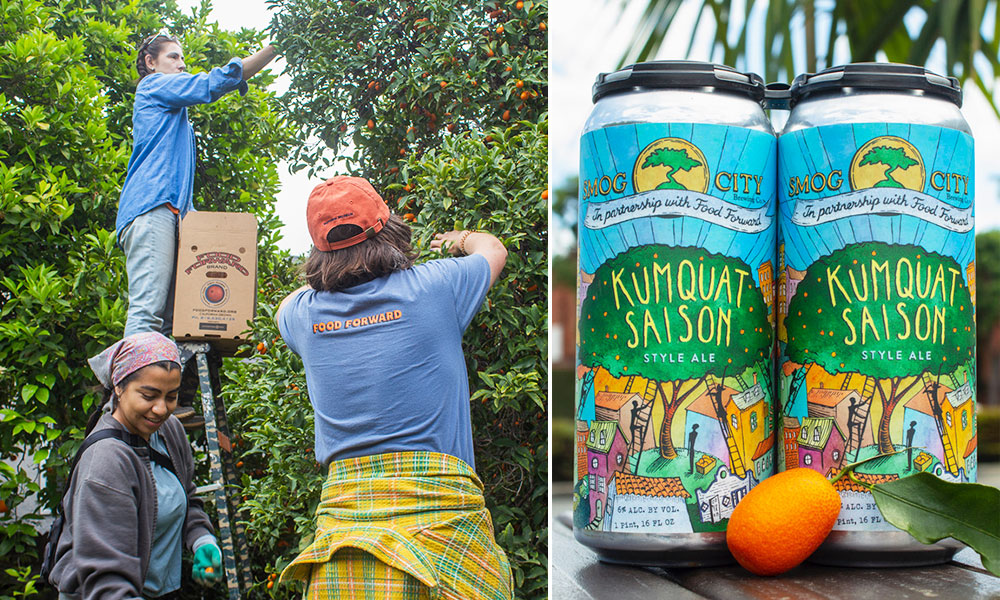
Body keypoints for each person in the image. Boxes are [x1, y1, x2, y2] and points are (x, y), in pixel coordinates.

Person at [274, 176, 513, 599]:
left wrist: (331, 279)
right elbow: (493, 249)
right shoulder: (436, 285)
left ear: (318, 251)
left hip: (345, 549)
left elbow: (285, 304)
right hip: (445, 537)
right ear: (388, 229)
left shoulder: (302, 315)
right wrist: (459, 239)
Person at [118, 32, 276, 338]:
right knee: (147, 312)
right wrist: (273, 49)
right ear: (151, 63)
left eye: (183, 58)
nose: (182, 64)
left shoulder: (176, 112)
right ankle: (132, 386)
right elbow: (210, 84)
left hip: (173, 215)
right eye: (173, 57)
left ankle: (163, 386)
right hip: (152, 207)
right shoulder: (152, 87)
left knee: (170, 322)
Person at [48, 332, 223, 599]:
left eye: (171, 396)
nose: (161, 409)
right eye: (149, 395)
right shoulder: (106, 463)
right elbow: (107, 581)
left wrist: (201, 539)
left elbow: (186, 498)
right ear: (119, 387)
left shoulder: (169, 431)